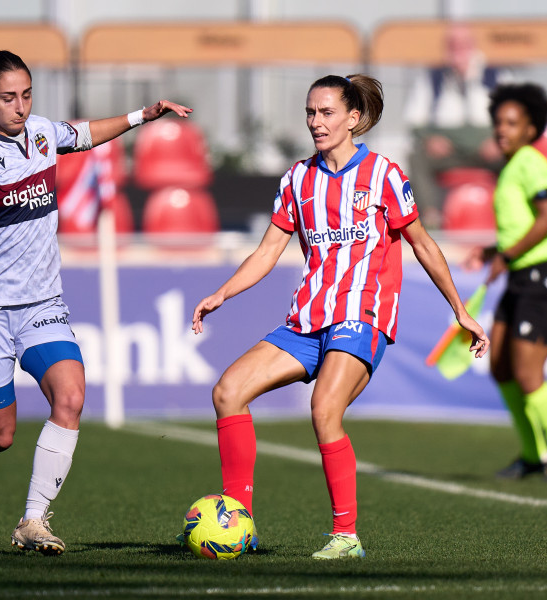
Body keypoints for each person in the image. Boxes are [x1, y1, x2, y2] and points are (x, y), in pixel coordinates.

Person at [191, 74, 488, 559]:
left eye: (327, 112)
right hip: (309, 318)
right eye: (310, 112)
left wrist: (460, 311)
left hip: (363, 313)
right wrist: (222, 293)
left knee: (324, 409)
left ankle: (345, 536)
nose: (316, 122)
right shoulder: (297, 179)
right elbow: (269, 251)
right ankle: (238, 522)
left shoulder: (385, 176)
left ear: (353, 119)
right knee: (227, 391)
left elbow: (423, 245)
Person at [0, 47, 192, 554]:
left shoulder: (42, 135)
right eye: (8, 98)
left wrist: (145, 114)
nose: (20, 107)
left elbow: (87, 133)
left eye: (27, 95)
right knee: (0, 436)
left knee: (70, 397)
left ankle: (32, 522)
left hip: (40, 304)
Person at [462, 82, 547, 484]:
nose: (502, 129)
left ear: (531, 129)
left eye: (512, 123)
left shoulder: (531, 161)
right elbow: (523, 226)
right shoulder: (511, 167)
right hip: (520, 275)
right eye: (498, 122)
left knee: (529, 374)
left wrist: (506, 256)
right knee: (500, 369)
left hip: (543, 277)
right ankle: (532, 456)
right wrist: (495, 250)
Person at [404, 24, 508, 227]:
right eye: (453, 45)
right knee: (417, 157)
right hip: (447, 150)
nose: (458, 50)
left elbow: (516, 117)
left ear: (473, 45)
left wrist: (499, 140)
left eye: (463, 44)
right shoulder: (431, 79)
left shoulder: (497, 76)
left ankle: (510, 215)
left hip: (488, 146)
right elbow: (413, 120)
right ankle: (431, 217)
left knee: (516, 157)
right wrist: (429, 139)